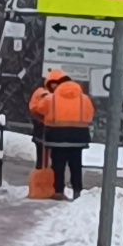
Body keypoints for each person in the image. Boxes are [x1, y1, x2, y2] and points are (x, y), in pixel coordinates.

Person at [39, 70, 95, 198]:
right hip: (79, 137)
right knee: (76, 165)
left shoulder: (50, 98)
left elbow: (39, 109)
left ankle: (58, 191)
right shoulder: (85, 99)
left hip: (56, 136)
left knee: (58, 165)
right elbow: (90, 115)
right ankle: (77, 191)